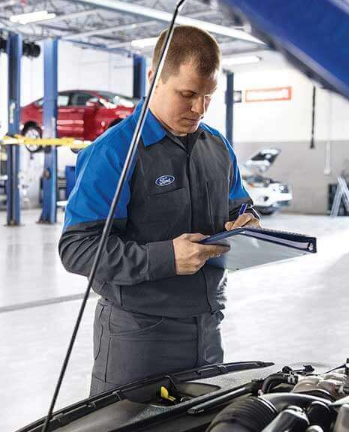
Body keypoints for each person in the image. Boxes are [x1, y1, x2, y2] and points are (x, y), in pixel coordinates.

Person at [59, 25, 260, 396]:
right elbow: (77, 248)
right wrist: (165, 258)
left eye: (208, 96)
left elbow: (240, 203)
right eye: (188, 94)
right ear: (154, 79)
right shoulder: (115, 152)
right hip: (137, 337)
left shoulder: (217, 148)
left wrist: (247, 220)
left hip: (207, 328)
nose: (199, 108)